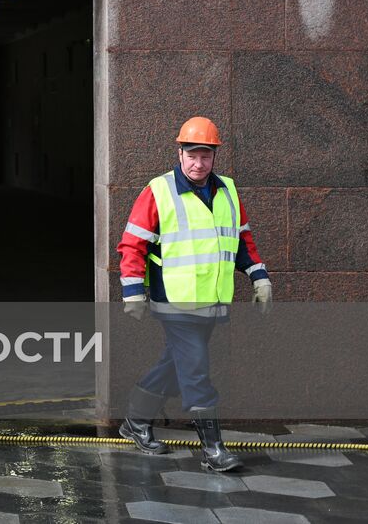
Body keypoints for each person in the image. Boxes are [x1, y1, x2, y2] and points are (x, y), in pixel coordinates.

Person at [116, 116, 273, 473]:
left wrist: (258, 276)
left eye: (206, 156)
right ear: (180, 152)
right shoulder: (158, 190)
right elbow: (133, 245)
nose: (198, 163)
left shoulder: (228, 191)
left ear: (215, 155)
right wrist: (133, 293)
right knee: (197, 371)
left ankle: (135, 421)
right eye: (192, 155)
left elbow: (242, 240)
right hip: (175, 300)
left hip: (212, 300)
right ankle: (213, 450)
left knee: (176, 363)